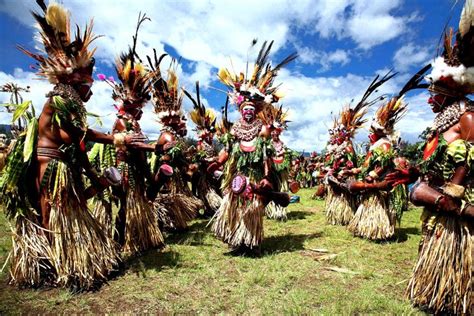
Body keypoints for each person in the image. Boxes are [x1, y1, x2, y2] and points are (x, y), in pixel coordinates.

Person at [387, 2, 474, 312]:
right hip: (437, 199)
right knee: (432, 243)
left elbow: (471, 156)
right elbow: (435, 162)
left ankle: (450, 298)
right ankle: (435, 292)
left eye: (433, 91)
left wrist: (453, 192)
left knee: (449, 248)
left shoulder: (467, 117)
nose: (428, 97)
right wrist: (413, 172)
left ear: (450, 89)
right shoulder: (442, 122)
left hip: (457, 203)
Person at [209, 40, 296, 254]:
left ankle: (252, 243)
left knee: (254, 207)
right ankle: (238, 241)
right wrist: (214, 164)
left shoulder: (263, 130)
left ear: (254, 111)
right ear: (240, 111)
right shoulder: (234, 131)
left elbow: (266, 155)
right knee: (236, 207)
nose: (248, 112)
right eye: (245, 109)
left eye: (251, 109)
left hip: (257, 176)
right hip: (238, 176)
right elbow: (226, 152)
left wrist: (267, 176)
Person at [95, 13, 164, 254]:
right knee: (124, 205)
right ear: (127, 104)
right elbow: (132, 145)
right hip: (124, 170)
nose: (139, 110)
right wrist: (153, 148)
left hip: (135, 170)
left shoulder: (134, 122)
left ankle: (136, 239)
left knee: (135, 203)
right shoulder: (122, 122)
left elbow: (138, 142)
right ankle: (117, 240)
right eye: (136, 106)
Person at [348, 66, 429, 240]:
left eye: (372, 130)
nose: (370, 133)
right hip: (372, 179)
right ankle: (367, 228)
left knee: (377, 204)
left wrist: (373, 174)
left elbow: (384, 164)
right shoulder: (376, 144)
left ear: (379, 131)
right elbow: (367, 163)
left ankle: (378, 230)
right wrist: (356, 171)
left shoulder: (384, 145)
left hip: (380, 182)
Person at [148, 54, 203, 231]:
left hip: (173, 174)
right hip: (165, 174)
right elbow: (164, 154)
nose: (178, 120)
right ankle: (165, 223)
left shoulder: (173, 136)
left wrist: (187, 159)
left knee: (175, 197)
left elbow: (176, 153)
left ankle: (173, 222)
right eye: (175, 118)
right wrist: (185, 165)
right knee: (168, 197)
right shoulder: (166, 134)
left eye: (177, 117)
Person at [184, 82, 222, 216]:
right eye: (209, 132)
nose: (211, 134)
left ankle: (211, 209)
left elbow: (214, 155)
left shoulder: (211, 144)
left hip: (211, 172)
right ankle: (207, 209)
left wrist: (216, 160)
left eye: (212, 132)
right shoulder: (200, 144)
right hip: (202, 173)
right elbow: (200, 158)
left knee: (213, 189)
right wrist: (210, 159)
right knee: (205, 191)